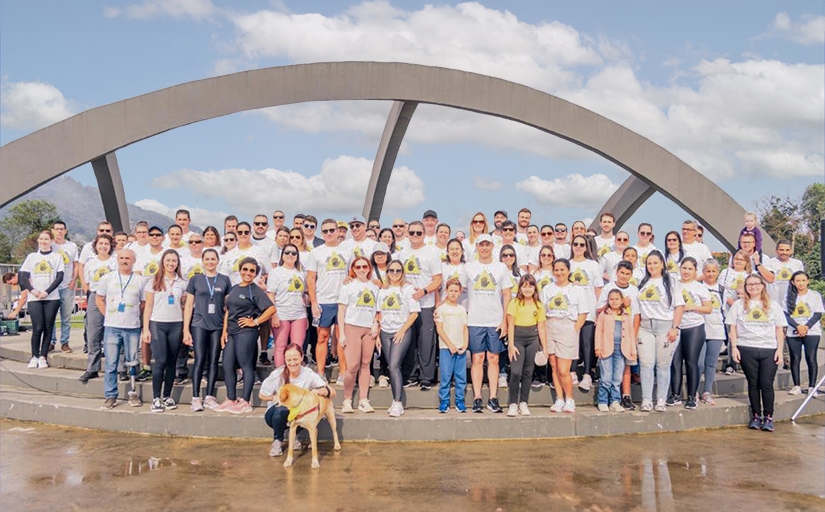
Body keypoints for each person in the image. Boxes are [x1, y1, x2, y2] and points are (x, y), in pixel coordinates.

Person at [727, 274, 787, 432]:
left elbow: (779, 329)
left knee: (766, 384)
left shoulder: (773, 305)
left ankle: (768, 416)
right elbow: (732, 328)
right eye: (749, 284)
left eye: (756, 284)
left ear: (762, 286)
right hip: (746, 347)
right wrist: (734, 347)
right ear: (745, 287)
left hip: (769, 348)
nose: (753, 287)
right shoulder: (739, 305)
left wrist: (780, 350)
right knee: (753, 384)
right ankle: (756, 415)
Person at [217, 257, 276, 414]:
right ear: (240, 270)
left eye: (252, 271)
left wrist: (255, 322)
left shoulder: (255, 290)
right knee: (228, 364)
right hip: (232, 332)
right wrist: (224, 332)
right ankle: (231, 398)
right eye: (245, 269)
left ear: (255, 273)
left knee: (246, 365)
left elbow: (271, 309)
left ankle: (245, 401)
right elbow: (228, 310)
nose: (248, 273)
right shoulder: (235, 288)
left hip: (246, 332)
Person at [463, 234, 511, 413]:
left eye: (487, 245)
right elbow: (458, 289)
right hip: (475, 319)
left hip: (495, 320)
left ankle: (493, 397)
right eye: (481, 245)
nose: (484, 248)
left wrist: (504, 320)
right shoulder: (468, 267)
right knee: (477, 358)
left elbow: (507, 295)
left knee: (494, 359)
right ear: (476, 247)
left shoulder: (501, 267)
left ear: (492, 246)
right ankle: (477, 397)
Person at [259, 343, 331, 457]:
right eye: (289, 360)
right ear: (285, 359)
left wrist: (325, 391)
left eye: (295, 359)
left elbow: (329, 390)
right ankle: (278, 439)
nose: (292, 363)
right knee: (282, 410)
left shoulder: (308, 373)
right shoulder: (278, 374)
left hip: (299, 413)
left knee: (306, 411)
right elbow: (261, 395)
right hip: (276, 413)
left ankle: (294, 435)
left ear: (302, 357)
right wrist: (273, 397)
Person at [636, 250, 685, 412]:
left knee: (663, 365)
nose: (652, 266)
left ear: (662, 264)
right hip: (645, 327)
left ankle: (661, 400)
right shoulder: (642, 282)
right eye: (649, 263)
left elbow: (679, 306)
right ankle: (647, 400)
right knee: (646, 364)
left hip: (665, 327)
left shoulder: (671, 282)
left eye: (655, 262)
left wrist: (675, 327)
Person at [183, 248, 231, 412]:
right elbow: (189, 305)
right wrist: (185, 330)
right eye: (207, 259)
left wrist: (225, 329)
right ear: (202, 261)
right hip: (199, 324)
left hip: (217, 325)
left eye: (213, 259)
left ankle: (210, 396)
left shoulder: (224, 280)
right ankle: (196, 397)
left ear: (218, 261)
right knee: (200, 359)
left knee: (213, 360)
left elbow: (228, 306)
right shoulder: (195, 279)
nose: (210, 262)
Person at [97, 248, 145, 409]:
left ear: (133, 261)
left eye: (128, 258)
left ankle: (132, 392)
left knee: (132, 361)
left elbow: (143, 303)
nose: (124, 261)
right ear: (117, 259)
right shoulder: (107, 278)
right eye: (122, 258)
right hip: (112, 327)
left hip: (132, 327)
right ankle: (110, 395)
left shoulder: (139, 280)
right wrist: (108, 316)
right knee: (111, 363)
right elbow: (99, 299)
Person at [397, 221, 443, 390]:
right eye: (412, 232)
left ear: (424, 234)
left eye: (418, 233)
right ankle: (411, 375)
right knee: (409, 342)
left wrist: (424, 291)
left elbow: (438, 279)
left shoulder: (432, 253)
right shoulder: (402, 254)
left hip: (425, 303)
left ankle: (426, 377)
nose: (415, 235)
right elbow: (397, 276)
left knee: (426, 341)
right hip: (407, 305)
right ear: (407, 234)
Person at [307, 218, 353, 379]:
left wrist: (350, 278)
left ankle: (343, 372)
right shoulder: (316, 252)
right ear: (321, 233)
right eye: (325, 231)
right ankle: (320, 372)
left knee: (342, 337)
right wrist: (313, 302)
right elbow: (311, 278)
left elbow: (354, 272)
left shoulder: (347, 251)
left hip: (342, 301)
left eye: (331, 230)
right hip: (323, 300)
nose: (329, 233)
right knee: (322, 337)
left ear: (338, 231)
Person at [142, 249, 187, 413]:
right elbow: (148, 306)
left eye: (174, 261)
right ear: (162, 262)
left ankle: (167, 396)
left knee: (171, 362)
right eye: (168, 260)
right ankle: (156, 398)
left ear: (177, 263)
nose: (171, 263)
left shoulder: (182, 282)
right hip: (157, 324)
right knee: (160, 361)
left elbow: (185, 305)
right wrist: (146, 328)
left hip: (176, 324)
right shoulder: (153, 280)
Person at [540, 259, 587, 413]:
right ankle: (559, 399)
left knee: (563, 369)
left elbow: (583, 313)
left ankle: (569, 399)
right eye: (556, 270)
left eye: (562, 270)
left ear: (568, 270)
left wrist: (575, 329)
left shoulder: (577, 290)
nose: (559, 273)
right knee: (553, 365)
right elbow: (542, 310)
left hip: (568, 326)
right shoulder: (547, 288)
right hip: (550, 325)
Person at [376, 259, 421, 417]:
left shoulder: (408, 289)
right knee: (391, 367)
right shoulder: (382, 290)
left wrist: (402, 330)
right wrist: (378, 332)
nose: (394, 273)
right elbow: (379, 313)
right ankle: (395, 400)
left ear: (402, 273)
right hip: (385, 332)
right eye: (391, 271)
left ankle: (397, 402)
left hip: (401, 330)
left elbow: (414, 313)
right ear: (387, 273)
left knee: (394, 365)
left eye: (398, 271)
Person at [596, 260, 641, 410]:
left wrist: (632, 340)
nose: (624, 276)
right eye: (622, 273)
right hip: (607, 342)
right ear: (616, 272)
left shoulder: (634, 290)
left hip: (624, 339)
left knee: (619, 374)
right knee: (606, 375)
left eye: (628, 274)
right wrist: (618, 304)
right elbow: (599, 310)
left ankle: (616, 400)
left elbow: (636, 316)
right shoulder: (608, 288)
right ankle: (603, 400)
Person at [337, 257, 379, 413]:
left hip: (369, 328)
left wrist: (376, 323)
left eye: (364, 266)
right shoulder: (348, 286)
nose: (362, 269)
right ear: (353, 269)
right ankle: (347, 399)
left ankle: (363, 399)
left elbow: (378, 309)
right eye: (358, 267)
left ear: (369, 268)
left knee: (366, 363)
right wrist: (341, 333)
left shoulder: (375, 287)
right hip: (352, 326)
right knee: (353, 365)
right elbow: (341, 310)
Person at [669, 257, 712, 410]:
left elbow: (708, 308)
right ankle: (675, 394)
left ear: (695, 271)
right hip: (676, 327)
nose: (686, 271)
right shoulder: (674, 284)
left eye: (690, 269)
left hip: (694, 326)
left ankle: (692, 396)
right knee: (675, 362)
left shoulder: (699, 287)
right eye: (684, 268)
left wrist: (691, 307)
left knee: (691, 362)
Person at [19, 231, 65, 369]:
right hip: (35, 297)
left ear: (51, 241)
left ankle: (43, 356)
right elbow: (23, 276)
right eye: (41, 239)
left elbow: (59, 277)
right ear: (38, 240)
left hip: (51, 297)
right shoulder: (32, 257)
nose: (44, 241)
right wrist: (33, 290)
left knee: (48, 327)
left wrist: (47, 291)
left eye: (46, 239)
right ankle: (34, 355)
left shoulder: (57, 257)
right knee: (38, 327)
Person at [505, 274, 547, 417]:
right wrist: (511, 345)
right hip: (517, 339)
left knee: (528, 372)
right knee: (516, 371)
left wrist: (545, 348)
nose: (527, 289)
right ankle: (512, 403)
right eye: (524, 286)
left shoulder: (539, 305)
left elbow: (541, 328)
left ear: (535, 287)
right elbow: (510, 325)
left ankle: (523, 402)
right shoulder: (514, 303)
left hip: (532, 339)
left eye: (530, 286)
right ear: (520, 287)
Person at [78, 234, 117, 383]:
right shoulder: (90, 263)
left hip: (111, 298)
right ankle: (92, 368)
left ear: (110, 246)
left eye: (106, 244)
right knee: (93, 333)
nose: (103, 246)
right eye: (100, 243)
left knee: (113, 332)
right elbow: (87, 281)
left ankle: (117, 368)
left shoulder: (115, 262)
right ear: (95, 246)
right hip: (95, 297)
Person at [266, 243, 307, 367]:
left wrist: (305, 311)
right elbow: (270, 295)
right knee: (280, 347)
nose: (290, 255)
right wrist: (274, 315)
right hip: (281, 314)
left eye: (294, 253)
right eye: (287, 252)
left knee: (297, 348)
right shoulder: (275, 273)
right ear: (282, 255)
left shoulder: (300, 273)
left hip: (299, 314)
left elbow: (303, 295)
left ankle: (295, 376)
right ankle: (280, 376)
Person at [569, 234, 602, 391]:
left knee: (587, 343)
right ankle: (572, 371)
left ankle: (588, 374)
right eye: (576, 244)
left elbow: (598, 289)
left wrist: (598, 311)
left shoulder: (593, 265)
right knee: (573, 342)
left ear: (586, 247)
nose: (578, 247)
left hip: (588, 310)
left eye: (582, 244)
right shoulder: (567, 264)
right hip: (571, 312)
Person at [784, 271, 823, 396]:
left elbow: (818, 313)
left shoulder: (814, 295)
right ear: (793, 282)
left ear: (808, 281)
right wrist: (798, 326)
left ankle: (812, 386)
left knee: (811, 357)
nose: (800, 283)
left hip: (812, 331)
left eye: (803, 280)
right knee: (795, 358)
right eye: (798, 281)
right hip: (793, 331)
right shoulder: (788, 296)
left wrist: (806, 327)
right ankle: (797, 385)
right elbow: (786, 315)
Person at [436, 278, 469, 413]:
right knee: (446, 376)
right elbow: (440, 329)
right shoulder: (441, 309)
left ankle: (460, 401)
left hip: (460, 348)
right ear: (446, 291)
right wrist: (450, 345)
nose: (453, 293)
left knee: (461, 377)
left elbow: (465, 328)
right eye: (451, 290)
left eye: (456, 291)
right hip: (446, 348)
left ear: (460, 292)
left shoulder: (462, 310)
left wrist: (465, 344)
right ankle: (444, 401)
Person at [698, 259, 725, 405]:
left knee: (711, 363)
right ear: (703, 272)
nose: (710, 274)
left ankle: (707, 391)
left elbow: (725, 310)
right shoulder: (698, 287)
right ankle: (694, 391)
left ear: (718, 272)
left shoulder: (722, 289)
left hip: (716, 329)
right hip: (700, 328)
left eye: (713, 271)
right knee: (698, 363)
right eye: (707, 271)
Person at [50, 220, 78, 353]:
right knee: (51, 316)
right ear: (53, 231)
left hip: (67, 285)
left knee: (66, 316)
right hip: (52, 286)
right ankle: (51, 341)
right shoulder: (49, 245)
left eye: (62, 229)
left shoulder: (71, 246)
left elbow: (76, 264)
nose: (59, 231)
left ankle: (65, 342)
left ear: (65, 231)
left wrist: (74, 281)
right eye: (57, 229)